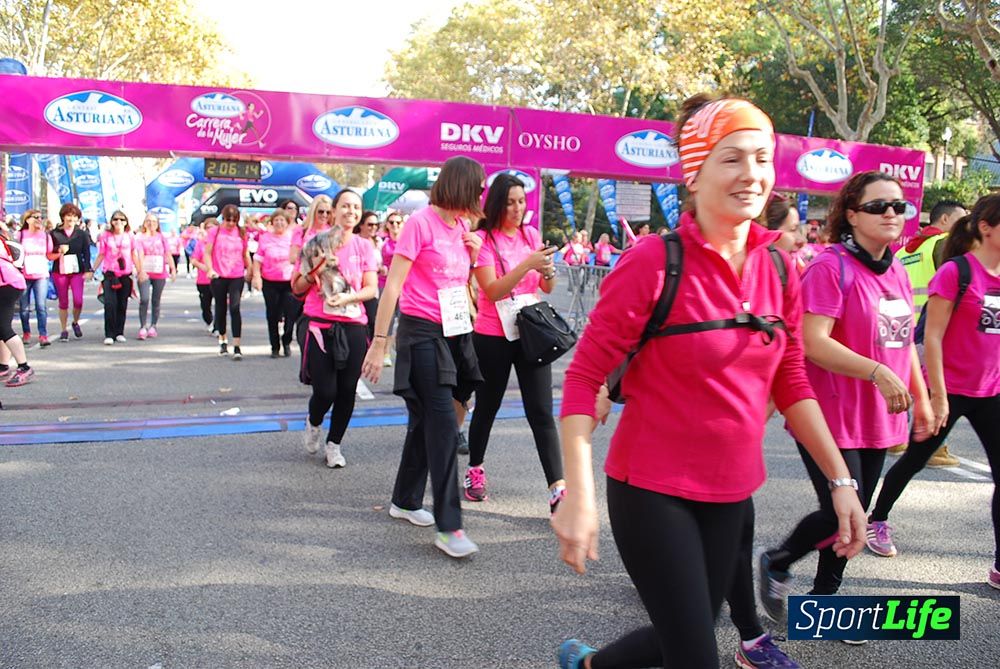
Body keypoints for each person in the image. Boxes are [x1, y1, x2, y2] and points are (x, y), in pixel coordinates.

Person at [551, 95, 866, 668]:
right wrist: (577, 494)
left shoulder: (779, 266)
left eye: (764, 158)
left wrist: (841, 480)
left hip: (732, 491)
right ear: (694, 173)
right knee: (697, 656)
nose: (752, 174)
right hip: (651, 487)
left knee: (697, 624)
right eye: (733, 159)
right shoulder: (652, 261)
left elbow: (792, 381)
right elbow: (583, 381)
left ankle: (591, 664)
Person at [759, 171, 934, 623]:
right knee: (843, 514)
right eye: (879, 206)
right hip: (829, 415)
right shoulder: (830, 266)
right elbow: (814, 342)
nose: (892, 213)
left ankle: (822, 602)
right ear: (852, 215)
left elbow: (900, 342)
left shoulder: (894, 266)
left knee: (852, 516)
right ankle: (778, 561)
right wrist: (877, 373)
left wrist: (923, 396)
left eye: (899, 205)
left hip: (878, 417)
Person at [867, 193, 1000, 589]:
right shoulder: (957, 272)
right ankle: (877, 519)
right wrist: (937, 396)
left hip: (991, 391)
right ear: (985, 227)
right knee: (913, 460)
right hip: (949, 388)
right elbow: (934, 337)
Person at [361, 155, 486, 560]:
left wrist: (475, 252)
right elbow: (393, 286)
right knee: (444, 424)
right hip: (421, 333)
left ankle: (405, 499)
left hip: (454, 331)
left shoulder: (463, 226)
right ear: (461, 186)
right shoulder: (420, 223)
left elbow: (456, 283)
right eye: (477, 187)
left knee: (426, 421)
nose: (481, 194)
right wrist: (380, 342)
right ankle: (449, 526)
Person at [465, 173, 564, 511]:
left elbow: (546, 287)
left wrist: (548, 270)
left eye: (521, 201)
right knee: (487, 406)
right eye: (510, 202)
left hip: (530, 333)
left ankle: (557, 489)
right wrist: (528, 264)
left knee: (541, 412)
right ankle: (475, 469)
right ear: (496, 204)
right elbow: (491, 291)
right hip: (492, 335)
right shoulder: (483, 239)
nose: (517, 208)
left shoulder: (531, 234)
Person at [292, 189, 377, 468]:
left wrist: (348, 298)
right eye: (345, 206)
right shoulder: (315, 243)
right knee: (325, 391)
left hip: (353, 325)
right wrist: (315, 269)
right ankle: (313, 421)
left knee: (346, 391)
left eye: (356, 207)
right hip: (320, 324)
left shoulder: (365, 246)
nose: (350, 211)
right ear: (334, 210)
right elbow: (297, 288)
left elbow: (371, 289)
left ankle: (334, 445)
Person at [891, 199, 969, 466]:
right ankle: (934, 445)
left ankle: (896, 436)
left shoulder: (904, 250)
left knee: (903, 383)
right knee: (933, 385)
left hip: (899, 328)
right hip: (931, 327)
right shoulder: (943, 243)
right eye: (961, 220)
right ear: (945, 220)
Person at [204, 204, 251, 360]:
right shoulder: (214, 232)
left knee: (235, 308)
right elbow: (207, 253)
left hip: (236, 275)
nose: (230, 223)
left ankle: (237, 345)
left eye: (234, 220)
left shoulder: (241, 233)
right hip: (219, 275)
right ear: (222, 218)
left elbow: (245, 254)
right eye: (227, 220)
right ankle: (223, 341)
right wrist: (210, 269)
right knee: (221, 308)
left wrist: (250, 270)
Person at [253, 209, 296, 357]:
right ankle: (275, 346)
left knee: (291, 314)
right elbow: (257, 260)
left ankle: (287, 340)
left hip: (289, 282)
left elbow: (299, 259)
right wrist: (256, 277)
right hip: (270, 281)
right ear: (272, 223)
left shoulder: (292, 238)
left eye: (282, 220)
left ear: (287, 223)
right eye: (276, 220)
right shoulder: (265, 238)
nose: (279, 223)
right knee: (272, 314)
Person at [49, 203, 93, 342]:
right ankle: (63, 329)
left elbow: (86, 252)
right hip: (60, 270)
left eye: (74, 216)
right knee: (63, 302)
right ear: (63, 217)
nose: (71, 219)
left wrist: (88, 269)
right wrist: (58, 250)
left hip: (76, 270)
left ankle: (75, 321)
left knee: (78, 300)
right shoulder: (54, 233)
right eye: (68, 215)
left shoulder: (81, 234)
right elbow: (49, 250)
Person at [93, 211, 137, 346]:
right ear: (111, 222)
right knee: (110, 304)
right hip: (110, 274)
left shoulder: (130, 236)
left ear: (126, 222)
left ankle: (119, 332)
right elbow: (101, 254)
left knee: (122, 304)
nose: (119, 222)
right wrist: (92, 269)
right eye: (116, 219)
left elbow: (133, 253)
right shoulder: (105, 236)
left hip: (125, 274)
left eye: (122, 219)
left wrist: (140, 271)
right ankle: (109, 333)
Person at [16, 209, 56, 347]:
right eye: (36, 217)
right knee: (24, 307)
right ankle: (26, 332)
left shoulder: (45, 236)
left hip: (41, 274)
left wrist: (61, 253)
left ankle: (43, 334)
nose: (39, 219)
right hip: (24, 274)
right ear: (27, 220)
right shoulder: (20, 235)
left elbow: (49, 254)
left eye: (41, 217)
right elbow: (14, 252)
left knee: (41, 306)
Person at [134, 212, 177, 340]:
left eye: (154, 222)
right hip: (145, 272)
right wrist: (141, 270)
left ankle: (153, 325)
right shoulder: (140, 238)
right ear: (144, 223)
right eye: (148, 221)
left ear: (157, 224)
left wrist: (173, 269)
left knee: (156, 300)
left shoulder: (161, 237)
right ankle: (143, 326)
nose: (151, 224)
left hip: (159, 272)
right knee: (144, 299)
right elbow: (139, 254)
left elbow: (168, 253)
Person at [0, 233, 34, 386]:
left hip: (6, 284)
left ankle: (24, 367)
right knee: (2, 326)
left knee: (4, 328)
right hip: (11, 281)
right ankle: (3, 364)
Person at [380, 211, 404, 366]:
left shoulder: (406, 241)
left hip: (404, 285)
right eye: (392, 222)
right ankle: (386, 352)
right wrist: (380, 267)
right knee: (387, 320)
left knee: (402, 320)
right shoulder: (382, 242)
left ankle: (399, 350)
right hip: (386, 284)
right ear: (387, 225)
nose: (395, 225)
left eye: (398, 222)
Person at [354, 210, 383, 341]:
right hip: (357, 289)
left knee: (373, 321)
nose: (374, 228)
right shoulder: (355, 241)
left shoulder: (378, 242)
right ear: (361, 225)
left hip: (373, 289)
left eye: (376, 225)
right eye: (370, 224)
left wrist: (381, 268)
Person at [189, 219, 217, 334]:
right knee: (205, 305)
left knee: (220, 304)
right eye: (208, 227)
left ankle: (218, 326)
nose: (211, 230)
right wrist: (205, 267)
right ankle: (209, 321)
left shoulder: (220, 242)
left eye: (213, 227)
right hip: (203, 280)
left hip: (218, 279)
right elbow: (194, 260)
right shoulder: (201, 243)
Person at [289, 195, 333, 265]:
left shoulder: (333, 232)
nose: (324, 215)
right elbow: (293, 258)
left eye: (328, 212)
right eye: (321, 212)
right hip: (304, 272)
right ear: (314, 211)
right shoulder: (301, 231)